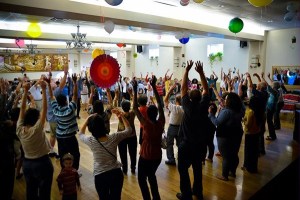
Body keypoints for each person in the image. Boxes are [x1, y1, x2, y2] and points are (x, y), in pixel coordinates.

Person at [79, 109, 133, 200]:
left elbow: (80, 134)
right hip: (116, 173)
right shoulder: (114, 137)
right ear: (104, 125)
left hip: (100, 175)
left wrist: (88, 119)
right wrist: (121, 115)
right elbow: (129, 130)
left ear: (90, 128)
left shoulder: (91, 141)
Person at [176, 60, 210, 200]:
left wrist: (186, 70)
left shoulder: (187, 107)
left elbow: (183, 87)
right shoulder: (204, 106)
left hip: (186, 144)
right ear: (201, 97)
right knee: (197, 169)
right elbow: (207, 89)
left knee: (183, 170)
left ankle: (186, 195)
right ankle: (198, 191)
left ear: (189, 98)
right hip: (200, 144)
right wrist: (201, 72)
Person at [16, 80, 54, 200]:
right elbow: (44, 109)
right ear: (35, 120)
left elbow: (22, 109)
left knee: (30, 191)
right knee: (44, 192)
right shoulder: (36, 130)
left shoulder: (19, 129)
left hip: (27, 164)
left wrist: (25, 91)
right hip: (42, 163)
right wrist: (43, 89)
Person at [133, 75, 165, 200]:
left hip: (146, 156)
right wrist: (154, 87)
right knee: (151, 176)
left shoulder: (146, 124)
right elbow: (160, 105)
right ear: (157, 114)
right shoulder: (161, 122)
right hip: (157, 156)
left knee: (142, 179)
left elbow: (135, 108)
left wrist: (135, 90)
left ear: (147, 115)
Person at [209, 92, 244, 181]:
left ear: (230, 101)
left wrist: (211, 114)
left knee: (226, 156)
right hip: (237, 134)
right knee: (234, 154)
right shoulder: (239, 109)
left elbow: (217, 123)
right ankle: (232, 172)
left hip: (225, 135)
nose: (225, 100)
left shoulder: (226, 111)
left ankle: (224, 175)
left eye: (226, 99)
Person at [50, 73, 80, 170]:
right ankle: (74, 170)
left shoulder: (56, 110)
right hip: (70, 137)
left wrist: (49, 87)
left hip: (60, 137)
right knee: (75, 154)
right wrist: (75, 83)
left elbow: (51, 97)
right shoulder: (70, 110)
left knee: (62, 155)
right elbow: (75, 96)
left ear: (57, 102)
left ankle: (64, 170)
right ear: (66, 102)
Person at [164, 84, 184, 165]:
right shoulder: (184, 108)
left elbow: (165, 100)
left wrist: (170, 90)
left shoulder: (174, 108)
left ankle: (171, 159)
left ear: (176, 101)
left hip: (172, 127)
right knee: (180, 144)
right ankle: (181, 158)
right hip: (180, 128)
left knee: (169, 144)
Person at [242, 96, 262, 173]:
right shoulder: (260, 111)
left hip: (250, 133)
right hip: (256, 132)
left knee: (248, 151)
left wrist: (243, 121)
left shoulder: (250, 112)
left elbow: (248, 124)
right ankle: (253, 167)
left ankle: (247, 166)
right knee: (254, 151)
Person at [117, 100, 137, 174]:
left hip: (122, 136)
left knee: (122, 154)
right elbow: (135, 106)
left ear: (122, 107)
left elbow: (113, 106)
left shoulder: (120, 115)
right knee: (133, 153)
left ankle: (124, 169)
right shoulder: (132, 113)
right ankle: (133, 168)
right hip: (132, 135)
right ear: (129, 107)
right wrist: (132, 94)